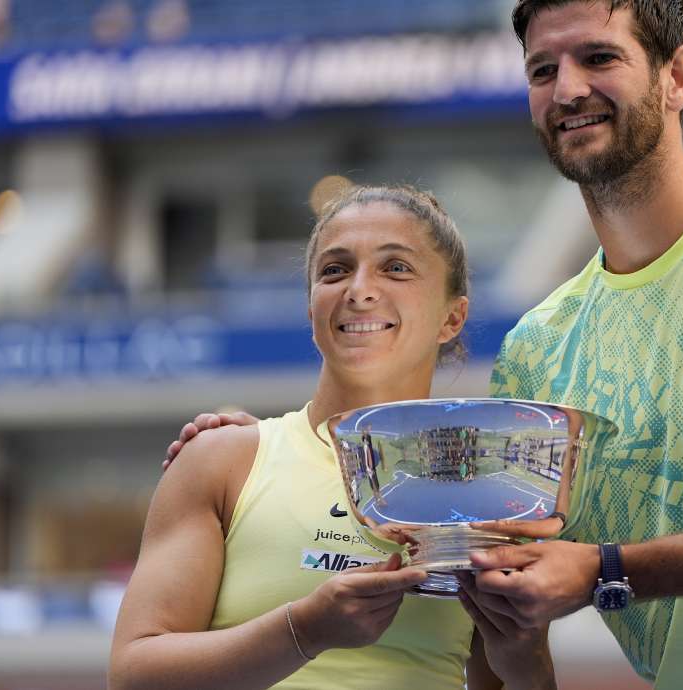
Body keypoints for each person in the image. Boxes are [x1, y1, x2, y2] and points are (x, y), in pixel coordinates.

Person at [167, 2, 683, 688]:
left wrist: (609, 571)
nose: (568, 88)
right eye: (542, 69)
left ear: (677, 76)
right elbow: (492, 581)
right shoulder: (539, 350)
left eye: (599, 57)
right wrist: (273, 446)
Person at [111, 185, 555, 690]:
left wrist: (531, 661)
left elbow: (516, 675)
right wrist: (303, 631)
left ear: (452, 317)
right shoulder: (224, 461)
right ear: (311, 309)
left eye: (396, 268)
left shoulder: (490, 493)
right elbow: (133, 675)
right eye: (335, 270)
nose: (359, 290)